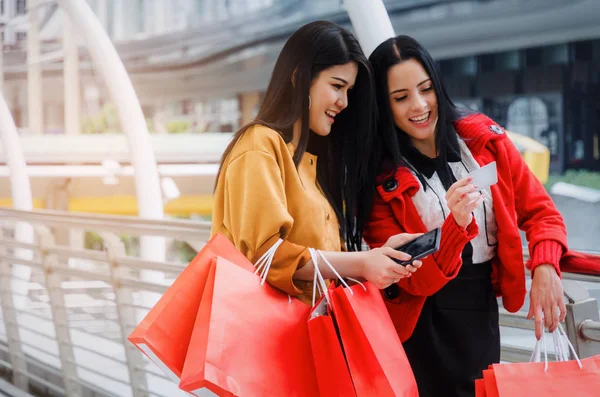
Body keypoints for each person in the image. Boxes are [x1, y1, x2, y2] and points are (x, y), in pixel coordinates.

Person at [364, 35, 569, 397]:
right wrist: (454, 227)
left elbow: (542, 212)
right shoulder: (379, 180)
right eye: (401, 98)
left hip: (479, 310)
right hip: (417, 322)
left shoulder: (483, 140)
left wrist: (545, 266)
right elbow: (413, 281)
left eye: (426, 89)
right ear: (384, 105)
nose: (419, 105)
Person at [211, 22, 422, 305]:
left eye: (349, 90)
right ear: (299, 77)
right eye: (337, 86)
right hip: (268, 337)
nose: (344, 102)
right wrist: (361, 262)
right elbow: (265, 257)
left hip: (307, 333)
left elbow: (318, 266)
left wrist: (378, 256)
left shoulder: (314, 163)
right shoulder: (260, 145)